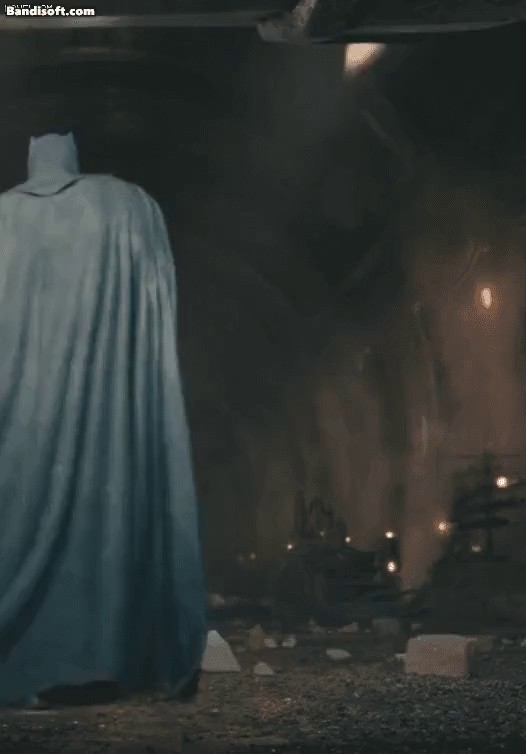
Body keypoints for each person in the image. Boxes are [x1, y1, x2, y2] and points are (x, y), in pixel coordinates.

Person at [0, 133, 206, 705]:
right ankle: (103, 650)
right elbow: (151, 303)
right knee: (105, 505)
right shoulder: (128, 207)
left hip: (18, 428)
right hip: (104, 435)